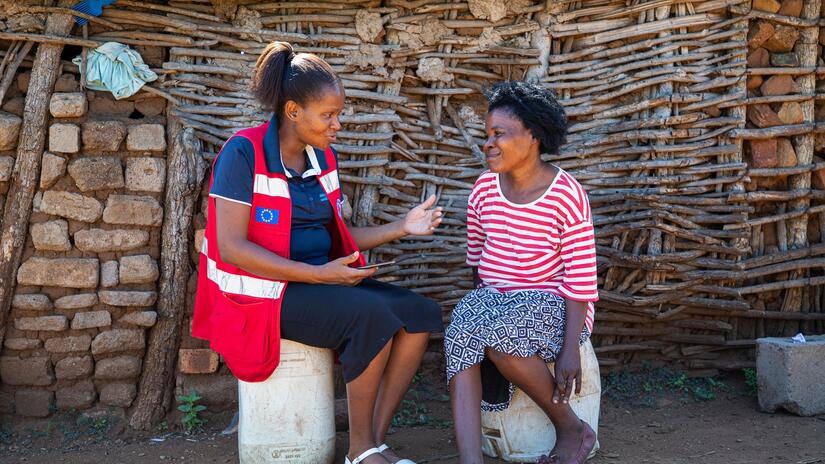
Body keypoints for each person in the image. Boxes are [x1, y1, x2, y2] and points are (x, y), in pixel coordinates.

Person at [192, 41, 444, 464]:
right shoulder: (244, 153)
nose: (337, 125)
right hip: (259, 294)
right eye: (328, 115)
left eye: (337, 115)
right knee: (369, 316)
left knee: (418, 313)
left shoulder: (323, 159)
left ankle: (373, 442)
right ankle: (361, 452)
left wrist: (402, 227)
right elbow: (230, 248)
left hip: (315, 281)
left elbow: (337, 238)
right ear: (293, 111)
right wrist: (320, 275)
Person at [445, 81, 599, 464]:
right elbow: (478, 267)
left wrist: (569, 351)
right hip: (499, 300)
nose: (489, 143)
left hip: (555, 307)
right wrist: (477, 315)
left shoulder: (566, 193)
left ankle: (572, 429)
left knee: (498, 330)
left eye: (500, 134)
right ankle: (470, 459)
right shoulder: (483, 191)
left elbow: (580, 280)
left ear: (533, 136)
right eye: (487, 135)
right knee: (460, 328)